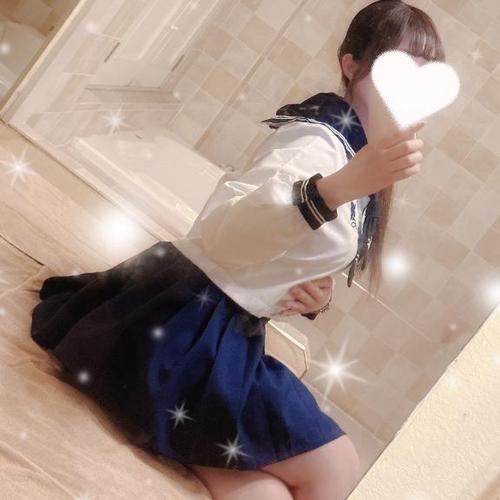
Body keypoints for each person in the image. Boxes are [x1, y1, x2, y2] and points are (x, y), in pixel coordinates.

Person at [29, 1, 445, 499]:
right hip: (184, 323)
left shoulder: (353, 154)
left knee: (278, 487)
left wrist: (315, 294)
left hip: (220, 325)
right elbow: (225, 233)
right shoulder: (317, 144)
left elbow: (287, 243)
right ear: (351, 64)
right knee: (335, 466)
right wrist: (333, 189)